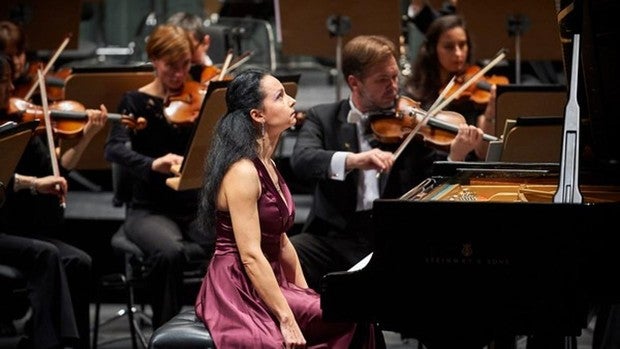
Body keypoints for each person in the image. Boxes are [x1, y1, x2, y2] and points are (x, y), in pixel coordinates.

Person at [194, 69, 381, 348]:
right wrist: (287, 318)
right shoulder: (243, 171)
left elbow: (281, 241)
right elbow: (250, 255)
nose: (292, 101)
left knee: (350, 313)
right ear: (258, 115)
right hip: (237, 285)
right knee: (345, 319)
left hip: (267, 279)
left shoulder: (267, 164)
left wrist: (305, 293)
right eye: (280, 97)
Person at [288, 34, 485, 294]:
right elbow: (302, 160)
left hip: (394, 236)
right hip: (334, 238)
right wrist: (356, 160)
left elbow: (429, 177)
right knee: (285, 254)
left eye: (394, 77)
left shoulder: (410, 122)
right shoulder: (322, 117)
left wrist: (455, 156)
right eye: (382, 80)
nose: (393, 87)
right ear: (354, 83)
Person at [104, 24, 211, 329]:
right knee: (169, 253)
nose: (179, 75)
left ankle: (220, 326)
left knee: (232, 242)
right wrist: (153, 164)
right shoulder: (134, 102)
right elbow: (113, 150)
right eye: (170, 66)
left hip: (192, 207)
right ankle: (166, 331)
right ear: (154, 60)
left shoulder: (196, 100)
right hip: (148, 210)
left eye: (185, 65)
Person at [0, 50, 108, 348]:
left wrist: (86, 135)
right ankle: (45, 344)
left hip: (17, 227)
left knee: (80, 261)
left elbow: (54, 170)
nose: (11, 89)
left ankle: (74, 345)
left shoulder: (18, 124)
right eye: (5, 82)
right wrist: (33, 184)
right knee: (46, 255)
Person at [403, 14, 498, 159]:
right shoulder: (415, 92)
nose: (458, 53)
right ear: (432, 49)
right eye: (449, 47)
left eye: (462, 44)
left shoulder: (475, 96)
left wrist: (491, 112)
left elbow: (483, 153)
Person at [166, 12, 215, 83]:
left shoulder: (219, 79)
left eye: (190, 49)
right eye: (177, 50)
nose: (184, 57)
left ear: (205, 43)